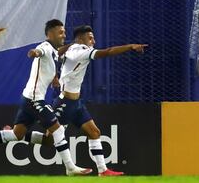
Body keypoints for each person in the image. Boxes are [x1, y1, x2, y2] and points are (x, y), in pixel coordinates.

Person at [0, 19, 92, 176]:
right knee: (58, 130)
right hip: (34, 99)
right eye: (60, 32)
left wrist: (54, 77)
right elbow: (40, 52)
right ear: (50, 34)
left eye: (64, 32)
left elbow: (50, 60)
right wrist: (35, 53)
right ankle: (70, 167)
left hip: (28, 98)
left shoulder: (54, 51)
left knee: (16, 134)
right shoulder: (45, 47)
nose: (63, 35)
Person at [23, 25, 147, 176]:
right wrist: (130, 47)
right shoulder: (80, 50)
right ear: (81, 39)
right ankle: (17, 134)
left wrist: (55, 75)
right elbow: (107, 52)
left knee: (94, 132)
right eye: (90, 38)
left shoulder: (71, 49)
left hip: (77, 103)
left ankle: (103, 170)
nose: (93, 41)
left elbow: (56, 55)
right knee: (49, 141)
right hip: (65, 103)